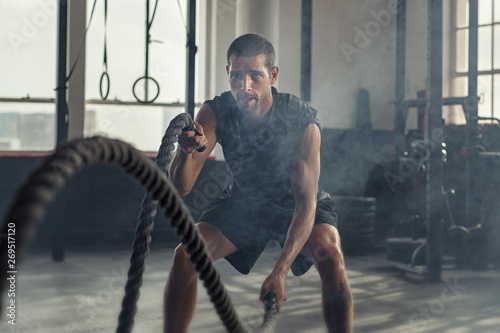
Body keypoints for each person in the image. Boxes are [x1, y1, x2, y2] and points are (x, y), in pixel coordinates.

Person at [164, 33, 353, 333]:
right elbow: (182, 187)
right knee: (185, 256)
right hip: (244, 202)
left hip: (295, 204)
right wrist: (185, 153)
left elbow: (306, 203)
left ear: (273, 75)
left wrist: (281, 270)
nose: (245, 87)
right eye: (237, 75)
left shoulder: (301, 122)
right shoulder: (215, 112)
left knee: (330, 253)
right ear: (228, 72)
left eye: (255, 76)